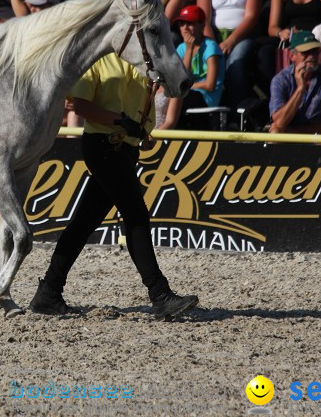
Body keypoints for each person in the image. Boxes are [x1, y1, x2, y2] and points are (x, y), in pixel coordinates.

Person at [28, 52, 199, 319]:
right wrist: (119, 120)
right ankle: (160, 294)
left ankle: (48, 292)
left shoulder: (142, 60)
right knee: (136, 215)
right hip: (104, 145)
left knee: (84, 222)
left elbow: (167, 91)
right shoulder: (96, 59)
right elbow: (81, 106)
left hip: (127, 148)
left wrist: (142, 123)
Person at [198, 0, 262, 108]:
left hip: (240, 37)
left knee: (236, 62)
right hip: (212, 36)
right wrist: (213, 45)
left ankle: (238, 110)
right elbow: (203, 20)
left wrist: (231, 41)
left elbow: (251, 16)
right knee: (209, 63)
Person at [158, 4, 224, 129]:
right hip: (189, 94)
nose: (185, 28)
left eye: (190, 23)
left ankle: (164, 130)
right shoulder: (182, 47)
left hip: (205, 98)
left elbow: (210, 85)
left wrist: (189, 51)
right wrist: (188, 50)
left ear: (202, 25)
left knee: (175, 96)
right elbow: (178, 78)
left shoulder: (210, 47)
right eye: (181, 24)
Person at [268, 30, 321, 133]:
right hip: (287, 136)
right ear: (292, 56)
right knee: (275, 132)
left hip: (316, 138)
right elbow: (279, 122)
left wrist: (292, 131)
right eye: (306, 52)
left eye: (315, 51)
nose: (311, 56)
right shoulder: (280, 80)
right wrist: (300, 89)